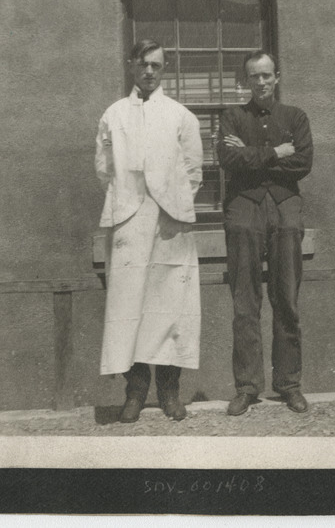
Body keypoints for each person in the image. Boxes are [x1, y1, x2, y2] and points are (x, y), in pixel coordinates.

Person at [95, 39, 203, 424]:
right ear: (131, 65)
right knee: (129, 308)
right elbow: (105, 168)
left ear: (165, 68)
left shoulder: (180, 116)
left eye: (156, 65)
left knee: (171, 306)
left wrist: (171, 203)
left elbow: (193, 171)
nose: (149, 71)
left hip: (170, 223)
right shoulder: (114, 114)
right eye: (143, 64)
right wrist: (129, 202)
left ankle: (169, 392)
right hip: (129, 221)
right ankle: (135, 392)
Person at [216, 53, 312, 416]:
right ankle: (247, 387)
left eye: (266, 75)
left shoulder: (295, 117)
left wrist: (253, 155)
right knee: (245, 301)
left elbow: (302, 162)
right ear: (246, 81)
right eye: (253, 77)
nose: (261, 82)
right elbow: (228, 160)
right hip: (243, 207)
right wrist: (275, 152)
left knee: (286, 297)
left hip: (286, 206)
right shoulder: (232, 117)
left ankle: (289, 384)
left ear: (277, 78)